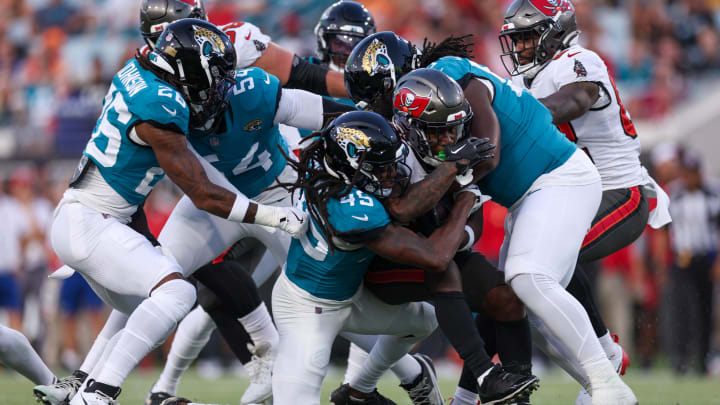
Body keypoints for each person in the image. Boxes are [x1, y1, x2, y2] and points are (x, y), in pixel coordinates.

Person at [343, 31, 638, 405]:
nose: (380, 112)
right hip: (529, 195)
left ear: (392, 79)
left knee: (528, 278)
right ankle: (588, 383)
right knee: (512, 297)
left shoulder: (447, 78)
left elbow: (488, 153)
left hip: (558, 176)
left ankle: (606, 377)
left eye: (378, 99)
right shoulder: (423, 100)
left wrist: (448, 179)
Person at [34, 19, 306, 405]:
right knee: (176, 292)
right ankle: (97, 395)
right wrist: (272, 216)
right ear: (188, 68)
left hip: (93, 216)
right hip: (93, 222)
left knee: (146, 303)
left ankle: (82, 383)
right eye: (211, 77)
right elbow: (203, 193)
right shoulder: (162, 105)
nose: (216, 88)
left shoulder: (139, 68)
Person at [496, 1, 671, 402]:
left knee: (536, 271)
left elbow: (574, 101)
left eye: (526, 36)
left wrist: (516, 117)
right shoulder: (525, 83)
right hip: (563, 198)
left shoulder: (579, 59)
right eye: (516, 38)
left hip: (617, 194)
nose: (519, 47)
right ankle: (601, 378)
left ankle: (606, 359)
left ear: (555, 32)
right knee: (517, 289)